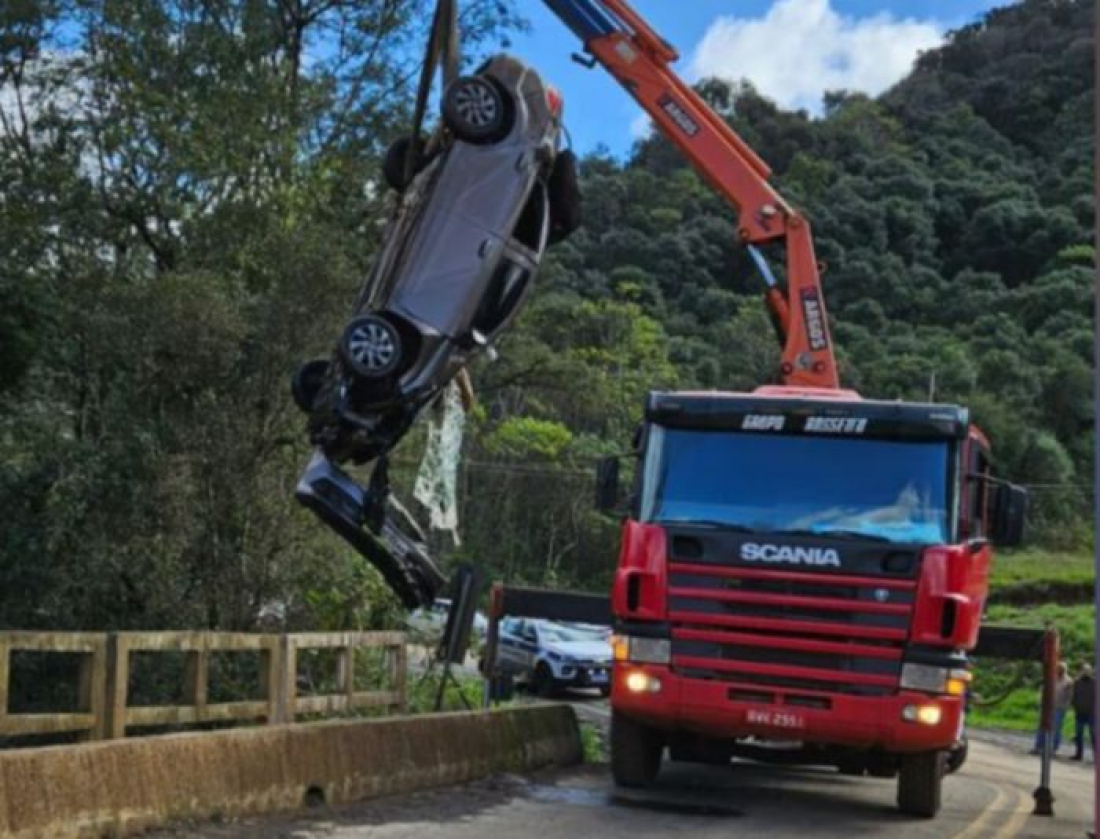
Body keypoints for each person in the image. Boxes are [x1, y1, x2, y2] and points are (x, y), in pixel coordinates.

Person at [1031, 662, 1073, 754]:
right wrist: (1040, 702)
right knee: (1041, 726)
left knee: (1056, 728)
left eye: (1061, 669)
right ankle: (1038, 746)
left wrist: (1066, 706)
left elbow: (1070, 696)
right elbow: (1042, 690)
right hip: (1046, 706)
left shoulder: (1068, 681)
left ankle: (1053, 748)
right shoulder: (1050, 678)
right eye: (1058, 668)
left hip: (1059, 708)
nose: (1059, 670)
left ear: (1065, 670)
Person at [1072, 663, 1095, 760]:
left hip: (1092, 714)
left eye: (1087, 671)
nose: (1086, 672)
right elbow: (1074, 695)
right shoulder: (1077, 682)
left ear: (1090, 672)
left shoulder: (1095, 683)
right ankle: (1078, 754)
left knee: (1094, 736)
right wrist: (1075, 706)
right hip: (1080, 712)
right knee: (1078, 735)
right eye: (1084, 670)